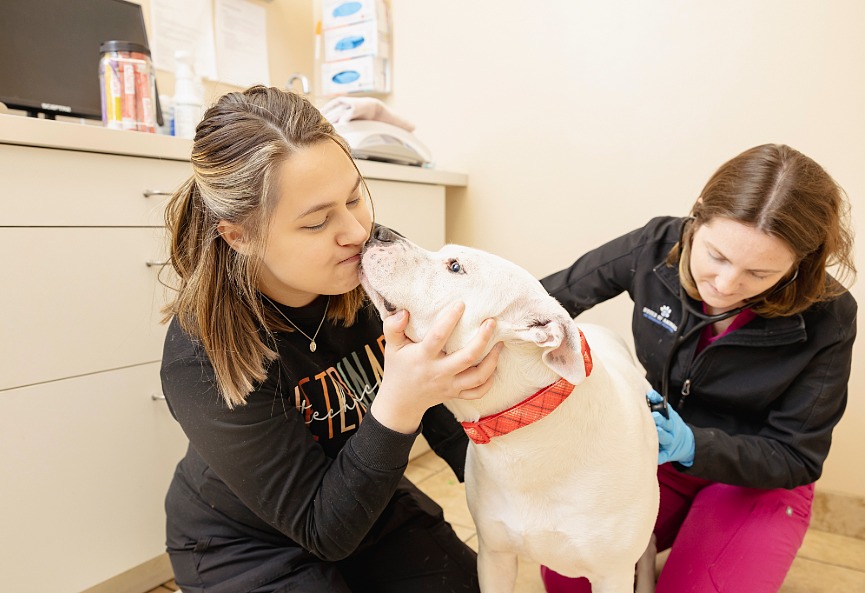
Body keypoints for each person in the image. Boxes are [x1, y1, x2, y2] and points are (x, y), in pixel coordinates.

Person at [159, 85, 503, 593]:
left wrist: (516, 492)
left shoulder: (370, 265)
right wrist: (400, 402)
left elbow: (446, 414)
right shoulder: (201, 355)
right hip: (242, 543)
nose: (357, 232)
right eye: (317, 221)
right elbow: (325, 531)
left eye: (354, 196)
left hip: (362, 496)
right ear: (240, 236)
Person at [538, 143, 856, 593]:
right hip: (657, 452)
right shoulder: (654, 246)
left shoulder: (830, 315)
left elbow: (797, 456)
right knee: (570, 578)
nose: (726, 286)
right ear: (696, 221)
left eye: (759, 274)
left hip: (758, 478)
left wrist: (693, 446)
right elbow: (539, 305)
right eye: (717, 256)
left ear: (798, 266)